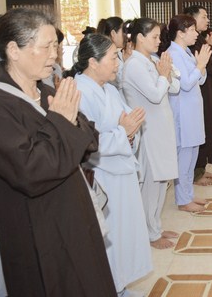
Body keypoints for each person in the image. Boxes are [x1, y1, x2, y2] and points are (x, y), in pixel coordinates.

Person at [0, 8, 116, 296]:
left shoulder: (47, 92)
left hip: (74, 212)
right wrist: (62, 122)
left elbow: (90, 139)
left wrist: (67, 125)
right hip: (37, 226)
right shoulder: (2, 104)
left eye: (56, 46)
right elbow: (30, 169)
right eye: (46, 46)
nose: (55, 55)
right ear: (13, 50)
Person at [70, 33, 152, 296]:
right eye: (112, 58)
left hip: (121, 173)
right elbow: (84, 143)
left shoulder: (110, 90)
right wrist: (123, 133)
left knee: (123, 236)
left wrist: (130, 133)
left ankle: (120, 286)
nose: (118, 63)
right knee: (109, 238)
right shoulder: (79, 92)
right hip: (101, 176)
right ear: (93, 62)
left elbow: (128, 124)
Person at [122, 18, 180, 249]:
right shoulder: (134, 65)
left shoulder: (152, 60)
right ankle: (150, 233)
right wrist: (163, 76)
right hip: (147, 131)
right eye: (154, 37)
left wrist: (166, 73)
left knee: (161, 180)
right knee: (150, 183)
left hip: (160, 128)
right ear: (140, 38)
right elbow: (155, 95)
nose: (158, 41)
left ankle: (156, 226)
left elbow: (173, 87)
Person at [160, 14, 212, 212]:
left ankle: (188, 194)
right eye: (191, 30)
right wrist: (200, 66)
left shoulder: (187, 52)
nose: (196, 34)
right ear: (180, 33)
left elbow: (200, 80)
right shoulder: (173, 54)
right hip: (183, 112)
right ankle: (183, 200)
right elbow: (186, 84)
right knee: (184, 158)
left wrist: (201, 66)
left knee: (192, 155)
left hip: (193, 111)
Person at [182, 5, 212, 185]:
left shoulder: (199, 39)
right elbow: (211, 66)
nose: (207, 20)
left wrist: (211, 46)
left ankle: (201, 168)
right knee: (201, 130)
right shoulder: (192, 43)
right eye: (204, 17)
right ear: (191, 19)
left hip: (206, 88)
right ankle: (196, 173)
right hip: (200, 89)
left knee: (206, 128)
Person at [96, 16, 126, 90]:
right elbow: (121, 83)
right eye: (123, 32)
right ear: (113, 34)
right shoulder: (105, 57)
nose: (126, 35)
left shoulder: (119, 54)